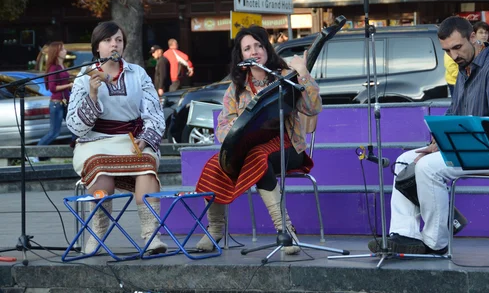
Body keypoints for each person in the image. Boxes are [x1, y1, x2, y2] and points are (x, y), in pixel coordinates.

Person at [368, 16, 489, 255]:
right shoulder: (465, 68)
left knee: (428, 167)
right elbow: (454, 115)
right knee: (405, 161)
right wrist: (438, 141)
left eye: (457, 47)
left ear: (473, 37)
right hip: (467, 147)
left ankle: (435, 243)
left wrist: (449, 144)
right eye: (447, 50)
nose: (452, 56)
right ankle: (405, 235)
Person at [194, 25, 321, 255]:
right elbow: (222, 128)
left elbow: (313, 108)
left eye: (258, 46)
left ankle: (286, 231)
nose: (254, 51)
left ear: (266, 49)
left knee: (258, 158)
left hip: (288, 146)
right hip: (250, 147)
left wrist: (303, 73)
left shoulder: (285, 77)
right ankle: (215, 230)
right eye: (247, 48)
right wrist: (234, 128)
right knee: (215, 165)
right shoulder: (236, 88)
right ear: (241, 55)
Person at [66, 21, 167, 255]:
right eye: (108, 40)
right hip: (94, 142)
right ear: (97, 47)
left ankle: (152, 236)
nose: (114, 44)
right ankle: (96, 236)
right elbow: (75, 127)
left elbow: (154, 113)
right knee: (101, 175)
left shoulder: (137, 73)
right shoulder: (83, 77)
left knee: (147, 167)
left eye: (118, 40)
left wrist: (146, 137)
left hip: (131, 140)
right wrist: (92, 92)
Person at [31, 42, 74, 162]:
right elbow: (52, 88)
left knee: (74, 128)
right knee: (54, 132)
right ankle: (35, 154)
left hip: (66, 101)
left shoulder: (62, 66)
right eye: (62, 49)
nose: (65, 51)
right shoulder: (53, 68)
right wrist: (69, 85)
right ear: (57, 52)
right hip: (57, 103)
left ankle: (77, 152)